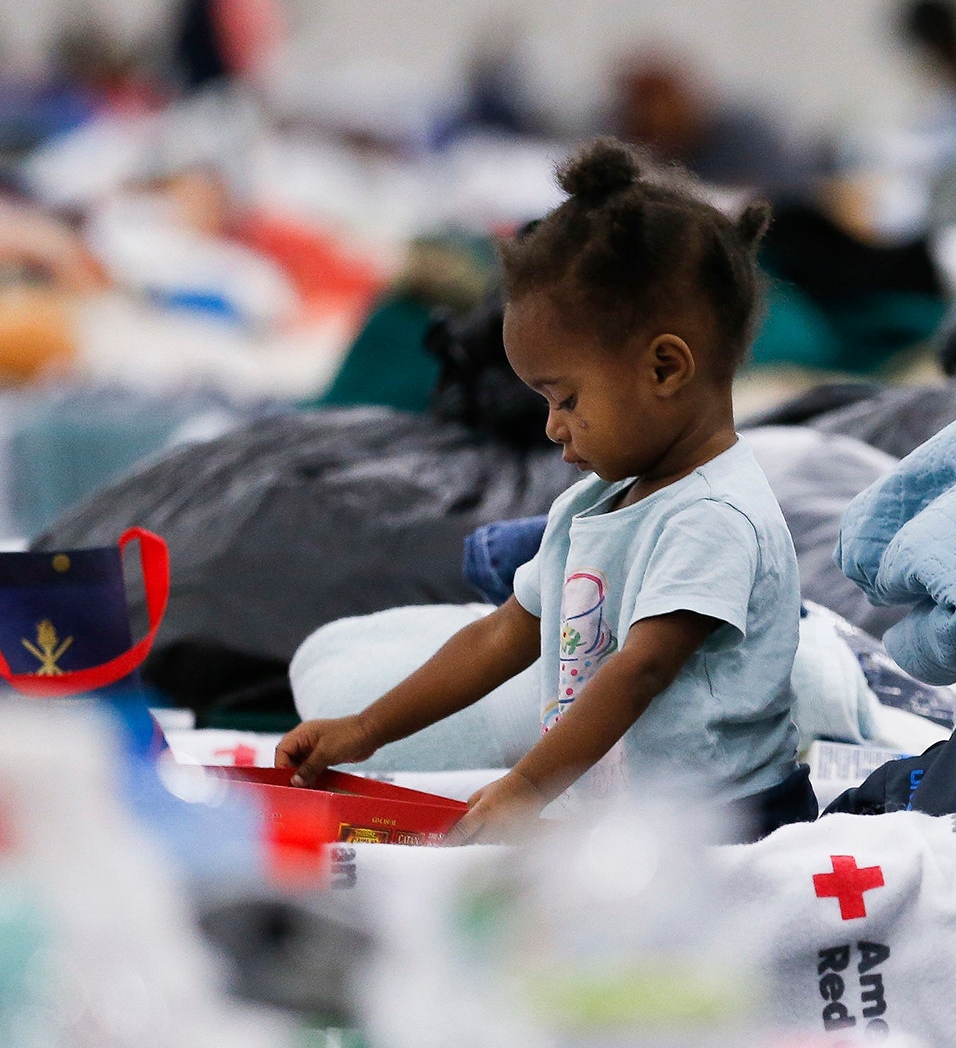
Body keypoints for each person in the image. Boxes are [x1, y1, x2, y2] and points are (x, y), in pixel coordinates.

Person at [274, 137, 811, 843]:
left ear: (664, 368)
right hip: (635, 823)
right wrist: (365, 728)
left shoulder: (713, 515)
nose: (553, 428)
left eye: (565, 398)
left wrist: (529, 783)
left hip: (731, 827)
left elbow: (640, 669)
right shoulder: (593, 505)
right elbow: (502, 634)